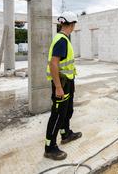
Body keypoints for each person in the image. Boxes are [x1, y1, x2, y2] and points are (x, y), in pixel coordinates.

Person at [44, 11, 82, 160]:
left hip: (67, 82)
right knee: (58, 114)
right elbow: (54, 64)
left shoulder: (64, 39)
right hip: (61, 83)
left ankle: (65, 134)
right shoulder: (61, 40)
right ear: (72, 25)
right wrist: (58, 87)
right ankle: (50, 147)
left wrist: (71, 83)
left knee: (67, 110)